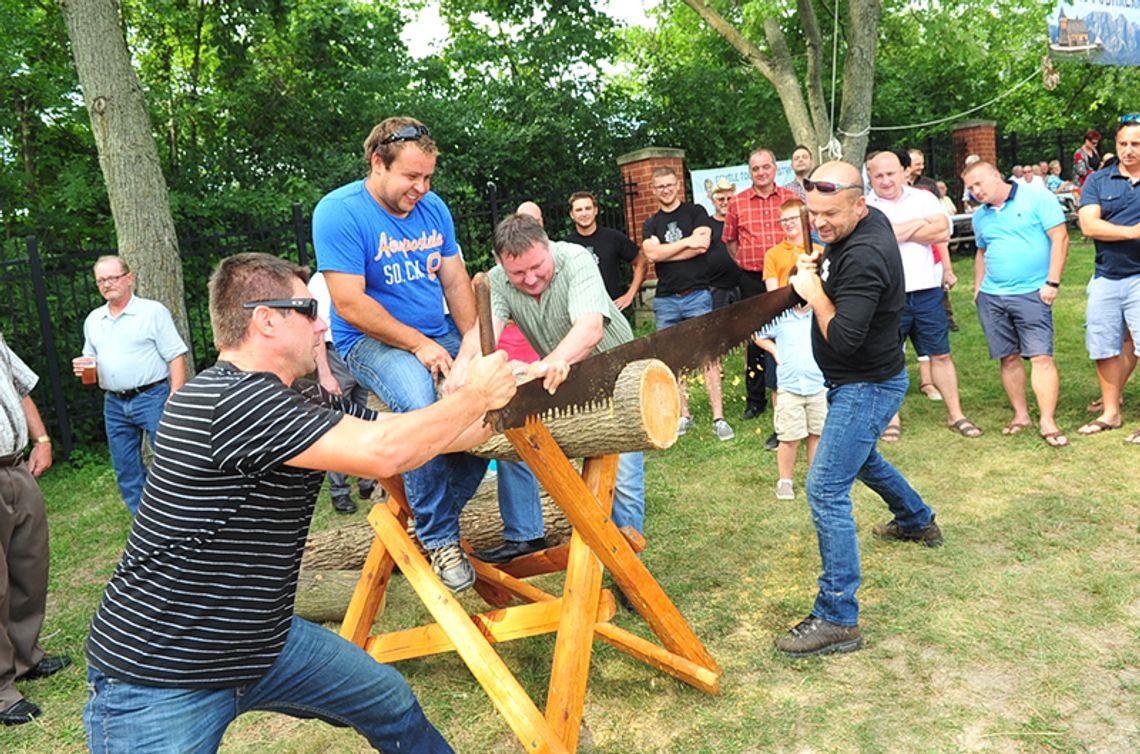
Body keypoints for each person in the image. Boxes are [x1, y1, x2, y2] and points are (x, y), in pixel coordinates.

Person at [83, 252, 515, 753]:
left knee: (389, 701)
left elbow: (401, 432)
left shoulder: (299, 397)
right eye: (310, 310)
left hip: (259, 642)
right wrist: (475, 398)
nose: (323, 323)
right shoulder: (229, 400)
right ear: (266, 319)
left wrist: (507, 401)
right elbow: (385, 454)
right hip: (164, 669)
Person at [313, 116, 488, 592]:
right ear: (378, 163)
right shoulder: (339, 212)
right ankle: (439, 536)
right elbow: (348, 302)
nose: (422, 188)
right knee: (423, 407)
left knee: (491, 401)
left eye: (428, 177)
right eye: (412, 176)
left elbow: (454, 280)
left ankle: (435, 513)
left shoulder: (435, 209)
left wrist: (472, 344)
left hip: (440, 333)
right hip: (371, 342)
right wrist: (419, 344)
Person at [775, 161, 943, 659]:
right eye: (813, 213)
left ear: (860, 204)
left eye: (830, 214)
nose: (819, 223)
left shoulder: (868, 253)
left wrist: (816, 294)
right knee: (862, 457)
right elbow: (829, 261)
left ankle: (837, 617)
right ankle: (916, 519)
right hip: (860, 380)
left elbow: (844, 340)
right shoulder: (859, 225)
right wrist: (813, 268)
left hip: (866, 382)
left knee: (825, 487)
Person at [463, 214, 646, 545]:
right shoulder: (497, 281)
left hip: (618, 378)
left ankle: (629, 563)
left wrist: (546, 365)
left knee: (624, 480)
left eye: (537, 267)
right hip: (560, 377)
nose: (530, 279)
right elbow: (480, 334)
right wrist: (462, 373)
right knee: (512, 429)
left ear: (548, 247)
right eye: (518, 273)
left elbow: (590, 328)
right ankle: (525, 536)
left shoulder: (576, 259)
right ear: (501, 263)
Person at [865, 150, 981, 442]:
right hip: (887, 296)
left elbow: (943, 230)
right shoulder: (865, 206)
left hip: (927, 291)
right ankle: (891, 420)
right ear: (870, 176)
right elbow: (878, 240)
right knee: (890, 358)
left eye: (891, 173)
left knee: (941, 353)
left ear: (903, 172)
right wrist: (919, 225)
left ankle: (956, 415)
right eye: (878, 175)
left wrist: (898, 231)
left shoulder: (924, 198)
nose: (885, 180)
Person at [964, 161, 1070, 447]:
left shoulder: (1036, 197)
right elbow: (981, 252)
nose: (975, 191)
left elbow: (1060, 238)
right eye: (970, 188)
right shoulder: (981, 217)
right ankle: (1021, 415)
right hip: (993, 296)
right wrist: (978, 288)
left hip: (1032, 292)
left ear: (997, 177)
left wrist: (1052, 282)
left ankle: (1048, 421)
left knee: (1041, 357)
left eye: (979, 184)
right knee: (1008, 357)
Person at [72, 255, 188, 516]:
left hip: (152, 396)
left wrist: (175, 395)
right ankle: (146, 520)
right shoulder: (93, 319)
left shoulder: (152, 312)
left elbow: (175, 355)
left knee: (170, 458)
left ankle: (182, 513)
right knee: (125, 466)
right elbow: (89, 358)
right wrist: (83, 366)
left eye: (112, 277)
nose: (107, 284)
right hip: (113, 402)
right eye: (101, 280)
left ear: (129, 278)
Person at [0, 332, 71, 726]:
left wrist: (41, 438)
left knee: (29, 565)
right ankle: (0, 688)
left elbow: (19, 386)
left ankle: (26, 657)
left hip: (15, 466)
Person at [642, 166, 731, 440]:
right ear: (653, 190)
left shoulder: (696, 213)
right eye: (660, 187)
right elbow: (650, 254)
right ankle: (684, 414)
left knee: (709, 356)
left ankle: (719, 418)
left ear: (678, 185)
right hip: (666, 299)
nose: (666, 190)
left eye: (670, 185)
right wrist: (685, 243)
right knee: (672, 358)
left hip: (698, 295)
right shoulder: (651, 222)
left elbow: (702, 245)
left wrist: (665, 251)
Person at [724, 148, 797, 448]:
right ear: (750, 171)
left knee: (792, 335)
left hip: (788, 277)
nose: (762, 172)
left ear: (775, 169)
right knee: (755, 339)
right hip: (753, 278)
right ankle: (756, 401)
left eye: (767, 167)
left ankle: (796, 391)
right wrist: (746, 263)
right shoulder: (737, 202)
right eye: (756, 168)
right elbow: (730, 241)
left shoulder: (791, 199)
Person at [1076, 118, 1140, 443]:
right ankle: (1110, 413)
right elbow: (1089, 225)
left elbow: (1101, 225)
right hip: (1106, 277)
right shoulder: (1098, 180)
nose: (1128, 150)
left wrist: (1112, 228)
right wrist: (1133, 231)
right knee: (1103, 346)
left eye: (1136, 144)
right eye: (1123, 144)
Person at [308, 271, 377, 513]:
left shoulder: (359, 273)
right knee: (337, 425)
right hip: (335, 355)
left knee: (364, 420)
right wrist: (326, 375)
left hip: (361, 349)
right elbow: (317, 333)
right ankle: (339, 491)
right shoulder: (319, 281)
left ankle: (367, 480)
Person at [752, 303, 827, 500]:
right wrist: (774, 351)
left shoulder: (820, 313)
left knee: (817, 434)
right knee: (789, 438)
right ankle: (785, 481)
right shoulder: (781, 316)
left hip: (818, 386)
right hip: (789, 387)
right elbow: (758, 334)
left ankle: (815, 479)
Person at [563, 191, 647, 312]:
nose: (584, 213)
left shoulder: (613, 238)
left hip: (613, 307)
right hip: (581, 310)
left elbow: (641, 262)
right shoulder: (566, 246)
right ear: (572, 214)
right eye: (579, 210)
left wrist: (629, 295)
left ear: (595, 210)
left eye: (588, 208)